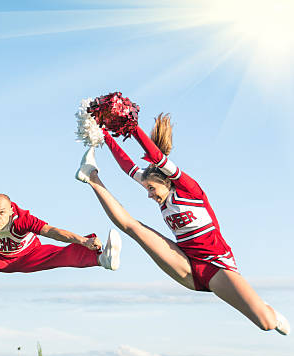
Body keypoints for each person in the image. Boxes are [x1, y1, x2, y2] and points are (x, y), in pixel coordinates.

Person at [75, 114, 290, 334]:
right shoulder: (160, 192)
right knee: (133, 228)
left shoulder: (190, 191)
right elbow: (127, 167)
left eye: (151, 189)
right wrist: (104, 134)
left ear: (165, 180)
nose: (149, 194)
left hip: (216, 265)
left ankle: (268, 310)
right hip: (185, 262)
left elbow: (157, 158)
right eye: (147, 188)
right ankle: (91, 175)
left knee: (266, 323)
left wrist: (134, 128)